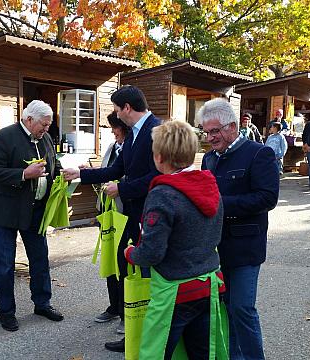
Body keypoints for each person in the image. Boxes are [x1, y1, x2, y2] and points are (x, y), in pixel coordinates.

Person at [62, 85, 161, 353]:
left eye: (118, 109)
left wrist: (124, 188)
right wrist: (81, 175)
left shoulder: (157, 131)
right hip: (132, 213)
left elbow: (158, 175)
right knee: (124, 261)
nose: (117, 114)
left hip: (151, 215)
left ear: (127, 108)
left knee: (142, 270)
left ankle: (143, 334)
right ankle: (131, 325)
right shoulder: (133, 136)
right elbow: (117, 169)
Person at [123, 120, 226, 359]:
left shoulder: (163, 194)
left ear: (158, 157)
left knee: (156, 353)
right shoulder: (210, 185)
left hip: (175, 289)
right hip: (208, 284)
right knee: (202, 352)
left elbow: (151, 253)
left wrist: (130, 253)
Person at [200, 98, 279, 360]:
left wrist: (220, 205)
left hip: (246, 248)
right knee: (225, 309)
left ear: (232, 127)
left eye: (215, 131)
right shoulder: (209, 159)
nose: (210, 137)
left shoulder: (259, 153)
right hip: (217, 248)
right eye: (206, 131)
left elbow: (267, 198)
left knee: (243, 309)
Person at [0, 100, 64, 332]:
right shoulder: (4, 137)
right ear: (29, 119)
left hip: (35, 211)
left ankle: (42, 303)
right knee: (5, 266)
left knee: (40, 260)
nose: (47, 129)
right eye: (44, 125)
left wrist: (64, 173)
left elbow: (53, 163)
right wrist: (23, 173)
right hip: (5, 213)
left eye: (48, 125)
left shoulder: (46, 138)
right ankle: (6, 312)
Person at [93, 111, 129, 325]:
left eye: (115, 127)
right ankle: (114, 306)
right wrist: (87, 172)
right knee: (109, 260)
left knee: (123, 263)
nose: (113, 132)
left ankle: (126, 310)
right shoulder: (112, 147)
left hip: (123, 213)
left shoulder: (133, 147)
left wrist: (120, 187)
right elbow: (106, 172)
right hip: (106, 212)